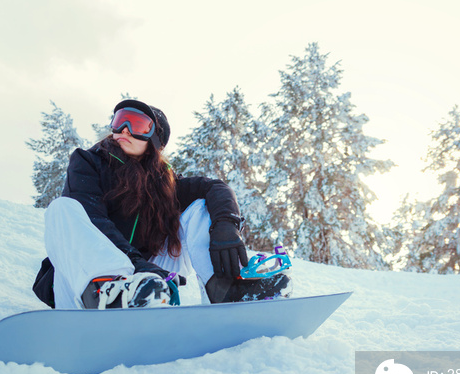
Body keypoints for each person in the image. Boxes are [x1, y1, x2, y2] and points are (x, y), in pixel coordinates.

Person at [33, 99, 291, 309]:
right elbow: (94, 221)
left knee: (201, 206)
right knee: (63, 209)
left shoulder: (162, 183)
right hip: (84, 284)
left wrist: (226, 225)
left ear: (155, 140)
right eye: (119, 120)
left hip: (145, 284)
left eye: (136, 124)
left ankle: (226, 288)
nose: (123, 129)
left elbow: (215, 187)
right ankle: (109, 293)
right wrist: (137, 265)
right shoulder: (88, 163)